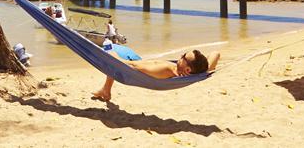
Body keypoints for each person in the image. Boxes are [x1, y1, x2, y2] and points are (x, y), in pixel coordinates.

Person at [92, 47, 220, 102]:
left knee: (112, 63)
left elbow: (132, 66)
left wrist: (112, 56)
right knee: (115, 59)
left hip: (134, 66)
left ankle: (106, 90)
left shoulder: (166, 70)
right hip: (141, 62)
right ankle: (106, 90)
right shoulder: (199, 71)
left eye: (183, 57)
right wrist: (205, 70)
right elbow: (216, 53)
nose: (180, 56)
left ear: (187, 70)